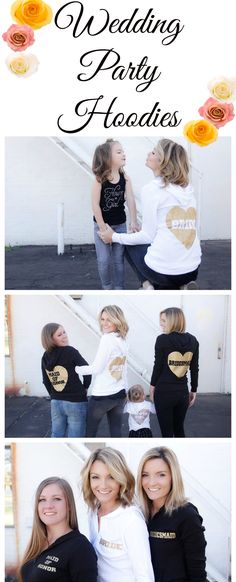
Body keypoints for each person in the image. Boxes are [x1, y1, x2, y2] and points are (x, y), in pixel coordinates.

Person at [99, 138, 201, 290]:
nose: (149, 153)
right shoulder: (188, 190)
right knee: (164, 264)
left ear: (162, 161)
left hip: (164, 273)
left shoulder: (152, 189)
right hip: (192, 270)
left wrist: (112, 236)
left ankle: (147, 285)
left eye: (153, 152)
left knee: (126, 242)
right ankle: (182, 286)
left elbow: (147, 236)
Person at [81, 447, 154, 582]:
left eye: (111, 477)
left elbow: (145, 578)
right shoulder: (91, 512)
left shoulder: (131, 520)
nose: (103, 485)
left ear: (121, 480)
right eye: (95, 477)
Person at [137, 447, 207, 582]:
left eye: (161, 474)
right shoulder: (139, 515)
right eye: (145, 475)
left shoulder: (187, 516)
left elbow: (197, 575)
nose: (151, 482)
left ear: (173, 477)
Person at [19, 476, 97, 582]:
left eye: (56, 499)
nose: (48, 506)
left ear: (69, 505)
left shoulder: (80, 548)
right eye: (42, 500)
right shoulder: (38, 543)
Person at [92, 138, 138, 290]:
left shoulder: (125, 178)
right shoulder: (100, 180)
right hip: (102, 225)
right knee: (104, 260)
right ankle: (107, 286)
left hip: (120, 225)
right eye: (119, 152)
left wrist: (133, 221)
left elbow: (130, 200)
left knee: (118, 259)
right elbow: (95, 205)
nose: (123, 154)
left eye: (123, 151)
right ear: (108, 157)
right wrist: (103, 228)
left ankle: (119, 287)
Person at [75, 305, 129, 437]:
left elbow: (97, 367)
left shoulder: (107, 339)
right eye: (102, 319)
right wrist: (125, 390)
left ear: (117, 320)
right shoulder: (122, 339)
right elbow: (123, 369)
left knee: (90, 433)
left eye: (108, 320)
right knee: (116, 432)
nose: (104, 323)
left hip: (102, 397)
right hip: (119, 394)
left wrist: (76, 369)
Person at [149, 307, 199, 437]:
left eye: (164, 320)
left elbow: (158, 366)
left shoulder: (162, 339)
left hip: (164, 392)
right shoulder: (193, 341)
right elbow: (194, 368)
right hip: (182, 393)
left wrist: (152, 387)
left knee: (167, 433)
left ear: (173, 321)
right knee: (179, 430)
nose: (161, 324)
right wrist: (193, 390)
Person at [41, 323, 91, 437]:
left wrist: (55, 395)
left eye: (64, 332)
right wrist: (85, 387)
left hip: (56, 402)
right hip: (76, 401)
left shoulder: (45, 356)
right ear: (51, 339)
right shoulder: (70, 351)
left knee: (56, 434)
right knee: (76, 436)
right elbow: (86, 370)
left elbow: (46, 380)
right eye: (59, 335)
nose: (64, 336)